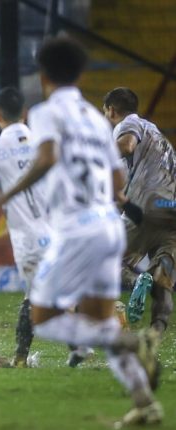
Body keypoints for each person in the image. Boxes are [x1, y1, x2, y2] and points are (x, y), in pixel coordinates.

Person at [0, 37, 162, 425]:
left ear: (44, 76)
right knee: (97, 323)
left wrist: (5, 196)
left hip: (76, 230)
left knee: (44, 317)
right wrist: (116, 197)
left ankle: (130, 340)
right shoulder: (97, 120)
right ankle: (144, 401)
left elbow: (47, 157)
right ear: (81, 75)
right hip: (107, 227)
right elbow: (117, 174)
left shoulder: (48, 113)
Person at [0, 87, 51, 368]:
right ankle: (81, 345)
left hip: (27, 237)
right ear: (25, 113)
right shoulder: (45, 142)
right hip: (58, 229)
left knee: (35, 294)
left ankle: (21, 358)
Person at [103, 87, 176, 335]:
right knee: (163, 280)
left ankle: (137, 281)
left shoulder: (129, 124)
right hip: (171, 213)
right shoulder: (159, 137)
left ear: (112, 110)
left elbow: (127, 145)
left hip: (149, 206)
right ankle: (154, 336)